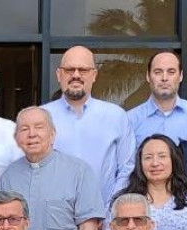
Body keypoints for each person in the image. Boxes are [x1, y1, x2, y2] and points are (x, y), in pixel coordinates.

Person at [43, 45, 136, 201]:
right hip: (54, 220)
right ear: (59, 75)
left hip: (105, 217)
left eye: (83, 70)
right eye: (69, 70)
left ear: (94, 75)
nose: (76, 75)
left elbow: (127, 168)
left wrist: (110, 210)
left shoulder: (116, 116)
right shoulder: (41, 117)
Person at [126, 51, 187, 145]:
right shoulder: (129, 121)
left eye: (171, 72)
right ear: (148, 76)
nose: (164, 78)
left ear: (181, 76)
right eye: (158, 72)